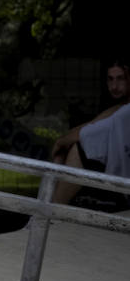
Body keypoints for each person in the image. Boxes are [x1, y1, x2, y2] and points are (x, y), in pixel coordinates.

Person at [51, 59, 129, 206]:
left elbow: (88, 131)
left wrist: (60, 142)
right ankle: (49, 206)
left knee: (79, 148)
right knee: (71, 148)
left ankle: (53, 207)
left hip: (122, 177)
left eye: (121, 79)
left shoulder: (123, 112)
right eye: (110, 79)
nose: (115, 86)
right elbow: (92, 126)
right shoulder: (119, 108)